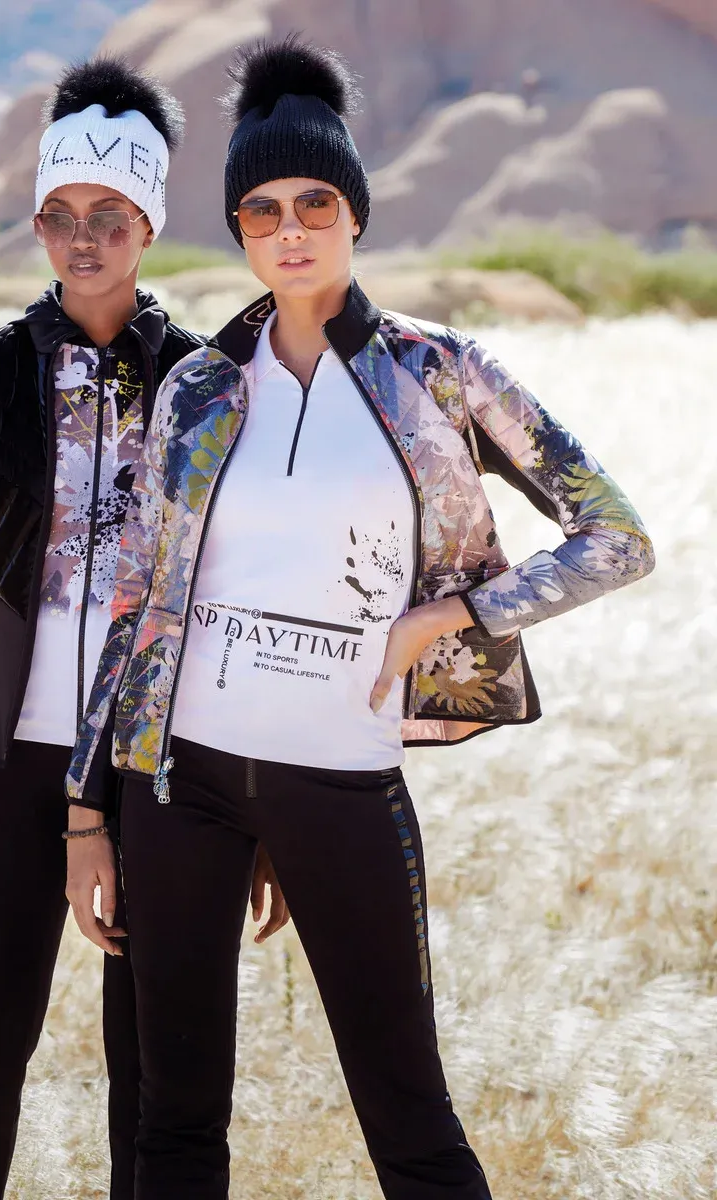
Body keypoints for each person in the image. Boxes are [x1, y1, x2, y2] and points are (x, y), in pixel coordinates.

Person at [63, 35, 656, 1200]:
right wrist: (88, 809)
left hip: (341, 782)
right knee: (172, 1124)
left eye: (315, 203)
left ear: (354, 213)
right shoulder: (197, 387)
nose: (290, 230)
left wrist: (456, 616)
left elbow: (616, 534)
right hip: (178, 787)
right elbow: (136, 602)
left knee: (411, 1125)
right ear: (239, 231)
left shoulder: (438, 373)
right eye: (262, 209)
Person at [0, 55, 288, 1200]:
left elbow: (232, 605)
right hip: (5, 764)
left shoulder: (206, 384)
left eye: (109, 216)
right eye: (58, 216)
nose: (82, 239)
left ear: (148, 224)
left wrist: (256, 804)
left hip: (161, 770)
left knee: (153, 1070)